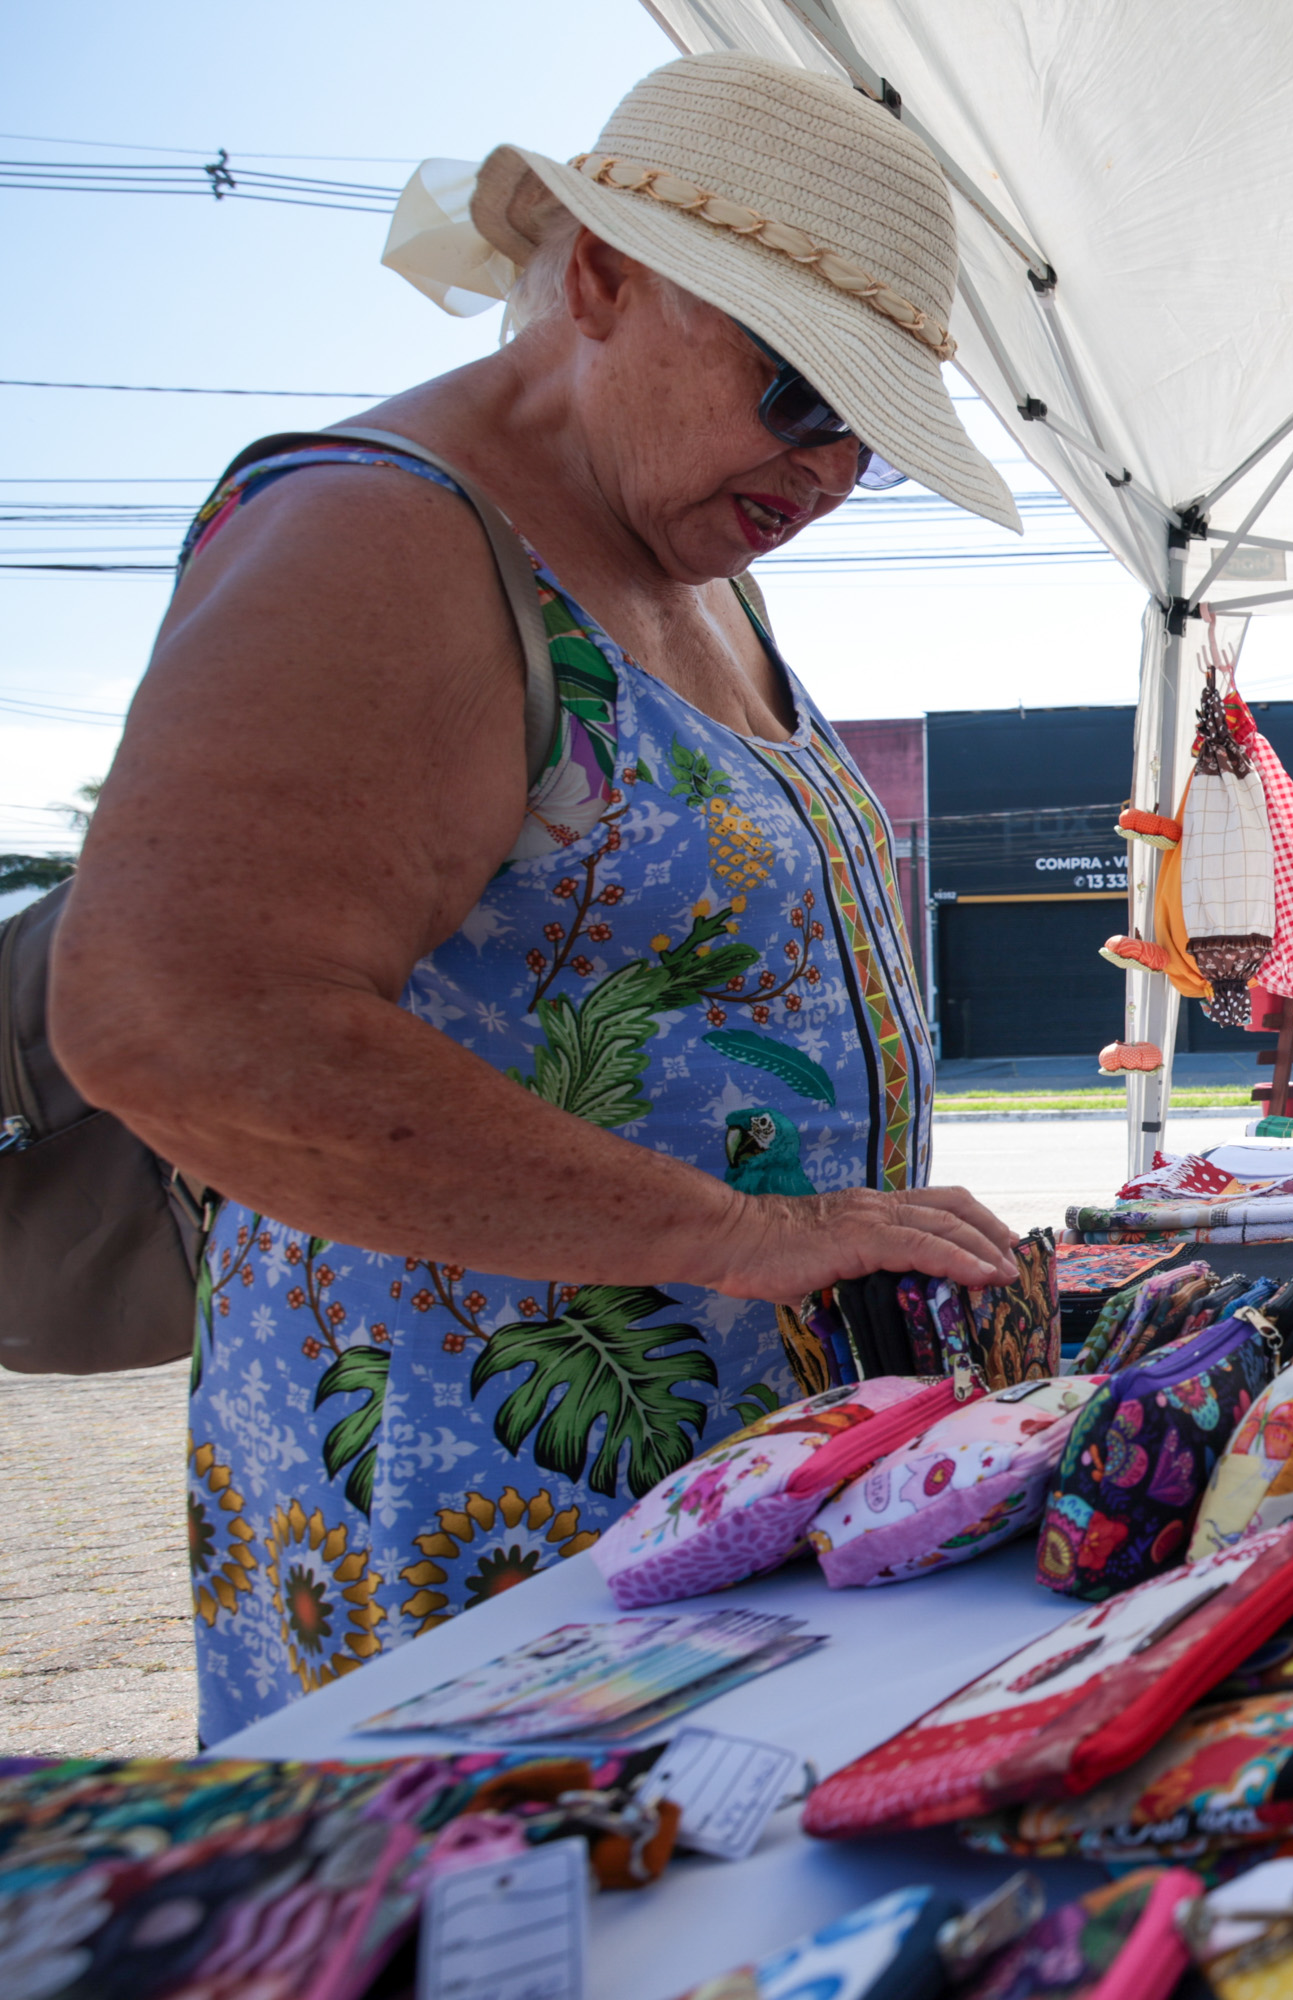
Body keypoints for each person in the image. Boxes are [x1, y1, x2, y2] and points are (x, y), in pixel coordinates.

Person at [51, 54, 1025, 1736]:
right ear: (599, 279)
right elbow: (172, 1018)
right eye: (799, 391)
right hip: (493, 1515)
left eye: (869, 430)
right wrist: (740, 1237)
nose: (831, 469)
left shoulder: (674, 546)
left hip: (701, 1503)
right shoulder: (381, 536)